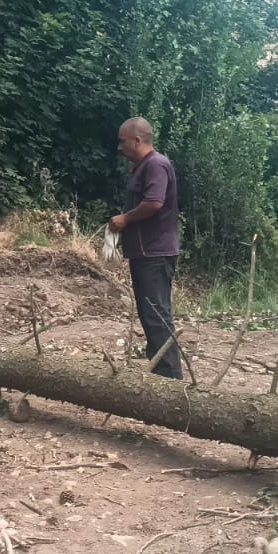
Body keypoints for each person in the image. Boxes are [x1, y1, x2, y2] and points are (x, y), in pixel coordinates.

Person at [109, 117, 182, 379]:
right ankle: (159, 375)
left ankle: (170, 382)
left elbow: (154, 202)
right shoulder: (144, 167)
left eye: (123, 141)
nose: (120, 147)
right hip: (146, 253)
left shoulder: (155, 165)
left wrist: (125, 219)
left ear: (138, 140)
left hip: (155, 254)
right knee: (150, 316)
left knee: (157, 317)